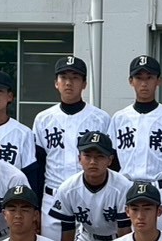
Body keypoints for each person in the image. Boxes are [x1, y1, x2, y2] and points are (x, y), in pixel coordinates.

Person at [33, 55, 111, 231]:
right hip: (53, 196)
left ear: (84, 84)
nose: (69, 83)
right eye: (64, 77)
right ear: (56, 83)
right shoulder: (43, 119)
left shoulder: (101, 118)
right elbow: (39, 163)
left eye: (75, 78)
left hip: (90, 195)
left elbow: (110, 162)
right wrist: (35, 206)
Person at [108, 54, 162, 212]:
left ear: (159, 80)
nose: (144, 83)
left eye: (149, 77)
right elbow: (113, 160)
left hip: (159, 190)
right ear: (131, 81)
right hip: (126, 189)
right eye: (139, 78)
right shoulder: (119, 118)